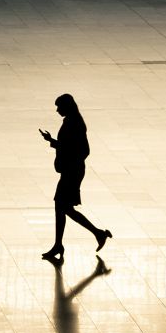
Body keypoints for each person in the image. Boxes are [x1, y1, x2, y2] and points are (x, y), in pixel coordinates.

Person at [40, 93, 111, 261]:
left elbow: (83, 150)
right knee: (61, 207)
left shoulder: (75, 123)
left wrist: (61, 150)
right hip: (70, 170)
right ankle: (60, 243)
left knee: (64, 207)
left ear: (67, 106)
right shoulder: (71, 121)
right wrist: (53, 141)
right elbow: (69, 146)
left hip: (72, 172)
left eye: (59, 107)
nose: (57, 110)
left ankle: (97, 233)